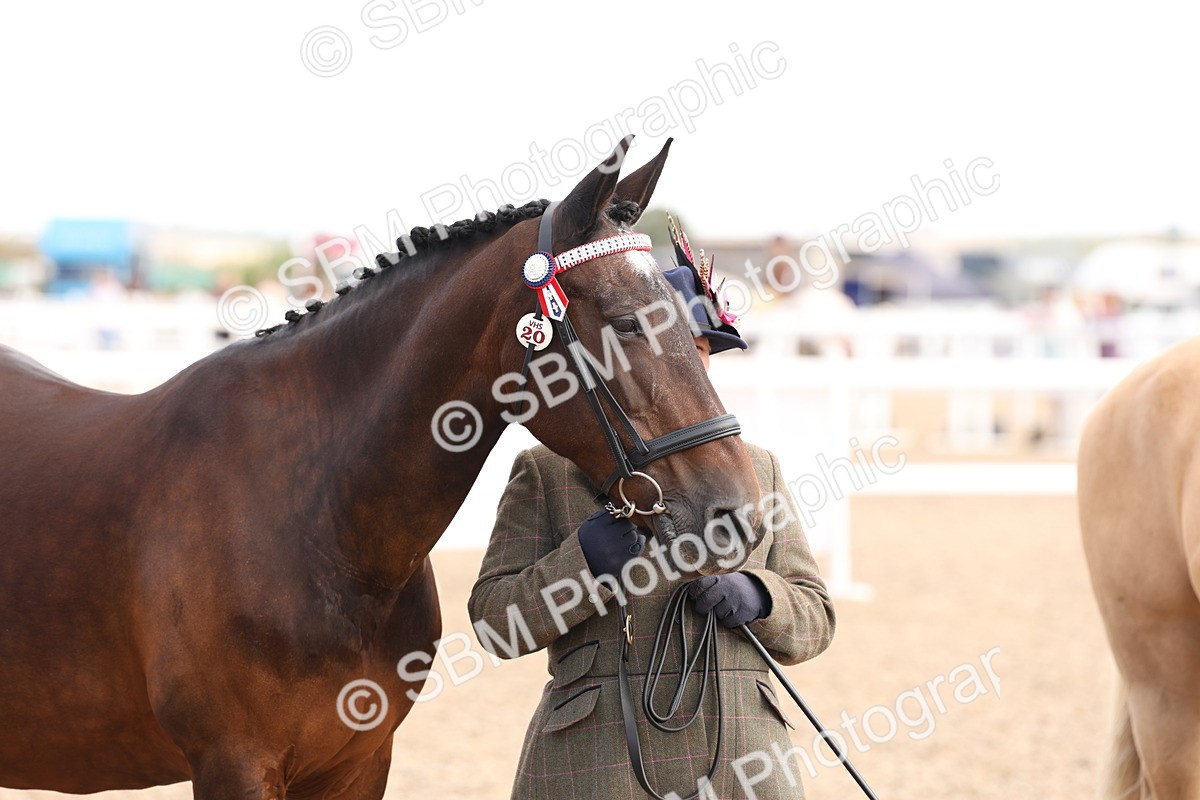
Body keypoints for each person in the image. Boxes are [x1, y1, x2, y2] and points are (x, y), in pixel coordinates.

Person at [468, 218, 836, 799]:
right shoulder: (544, 471)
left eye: (700, 351)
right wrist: (581, 565)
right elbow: (495, 625)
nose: (689, 366)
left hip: (740, 754)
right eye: (677, 351)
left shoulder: (758, 468)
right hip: (594, 759)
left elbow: (815, 618)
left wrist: (760, 596)